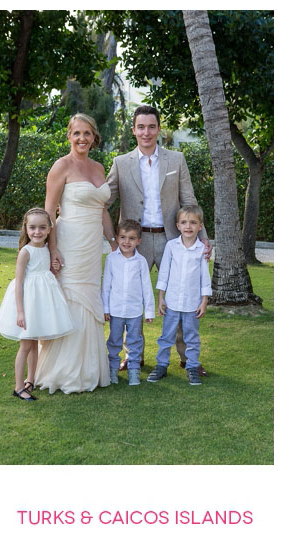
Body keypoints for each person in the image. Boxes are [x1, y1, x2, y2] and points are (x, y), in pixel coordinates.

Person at [106, 105, 211, 375]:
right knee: (130, 296)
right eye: (141, 127)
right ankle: (133, 356)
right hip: (133, 242)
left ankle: (189, 359)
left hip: (172, 240)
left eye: (151, 126)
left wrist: (203, 239)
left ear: (158, 129)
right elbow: (104, 199)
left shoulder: (176, 159)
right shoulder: (120, 163)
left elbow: (189, 200)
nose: (146, 132)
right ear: (133, 130)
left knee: (181, 296)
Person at [36, 113, 116, 394]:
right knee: (70, 296)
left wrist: (113, 241)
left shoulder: (98, 167)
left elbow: (102, 209)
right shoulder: (61, 166)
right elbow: (48, 210)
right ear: (69, 136)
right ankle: (63, 371)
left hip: (92, 246)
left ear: (94, 137)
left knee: (89, 297)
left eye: (87, 133)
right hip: (69, 241)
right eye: (77, 133)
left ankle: (89, 370)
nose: (82, 138)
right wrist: (52, 248)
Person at [0, 207, 74, 401]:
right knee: (25, 345)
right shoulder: (26, 252)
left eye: (42, 228)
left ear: (49, 229)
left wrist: (54, 267)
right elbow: (19, 283)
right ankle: (18, 386)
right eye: (32, 228)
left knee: (35, 343)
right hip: (27, 302)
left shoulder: (47, 249)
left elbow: (46, 272)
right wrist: (20, 312)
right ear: (26, 229)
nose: (37, 232)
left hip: (42, 302)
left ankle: (31, 379)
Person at [147, 205, 211, 386]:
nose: (188, 226)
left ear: (200, 226)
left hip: (192, 303)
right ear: (177, 225)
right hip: (172, 302)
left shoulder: (201, 249)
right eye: (184, 222)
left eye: (193, 222)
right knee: (166, 336)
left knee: (191, 337)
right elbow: (164, 273)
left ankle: (192, 367)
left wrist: (204, 301)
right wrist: (161, 298)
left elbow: (204, 277)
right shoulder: (171, 246)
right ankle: (161, 365)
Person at [102, 219, 155, 386]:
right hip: (116, 310)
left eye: (132, 238)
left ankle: (134, 372)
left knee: (134, 342)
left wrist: (149, 311)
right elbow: (106, 286)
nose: (127, 242)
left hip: (134, 311)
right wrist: (106, 308)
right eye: (123, 237)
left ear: (138, 241)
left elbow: (147, 287)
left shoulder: (141, 262)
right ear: (117, 238)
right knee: (114, 341)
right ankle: (113, 370)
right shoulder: (111, 259)